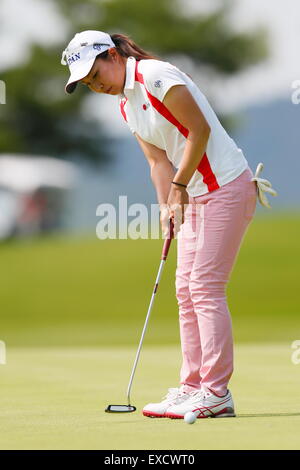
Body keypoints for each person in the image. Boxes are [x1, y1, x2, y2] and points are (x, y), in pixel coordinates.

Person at [61, 30, 277, 419]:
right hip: (192, 196)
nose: (97, 87)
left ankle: (216, 392)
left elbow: (200, 131)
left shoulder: (157, 76)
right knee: (184, 290)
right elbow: (157, 162)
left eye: (96, 75)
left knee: (205, 287)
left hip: (226, 186)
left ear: (112, 55)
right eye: (88, 84)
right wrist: (167, 208)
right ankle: (192, 387)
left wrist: (179, 187)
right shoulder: (127, 106)